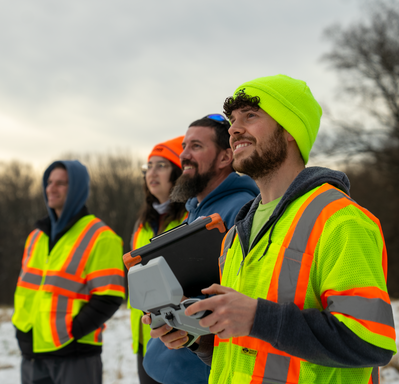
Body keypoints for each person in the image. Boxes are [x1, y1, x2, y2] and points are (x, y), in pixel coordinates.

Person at [159, 75, 397, 384]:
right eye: (233, 120)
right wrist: (196, 338)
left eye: (251, 115)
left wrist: (258, 317)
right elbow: (244, 350)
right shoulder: (235, 236)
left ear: (289, 131)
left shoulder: (341, 220)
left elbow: (371, 344)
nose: (234, 128)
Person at [143, 115, 259, 384]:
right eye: (184, 146)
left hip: (201, 373)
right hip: (166, 367)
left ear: (225, 157)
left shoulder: (242, 210)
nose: (184, 155)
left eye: (196, 146)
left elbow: (241, 296)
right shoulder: (195, 211)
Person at [12, 160, 125, 384]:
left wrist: (72, 332)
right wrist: (21, 330)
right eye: (49, 182)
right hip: (32, 351)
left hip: (75, 355)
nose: (51, 188)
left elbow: (109, 298)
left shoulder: (101, 236)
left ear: (76, 190)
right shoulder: (36, 236)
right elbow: (27, 290)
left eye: (61, 183)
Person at [129, 136, 188, 384]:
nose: (152, 172)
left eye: (161, 165)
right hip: (145, 338)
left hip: (179, 339)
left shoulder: (189, 218)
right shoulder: (142, 224)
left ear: (177, 172)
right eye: (149, 166)